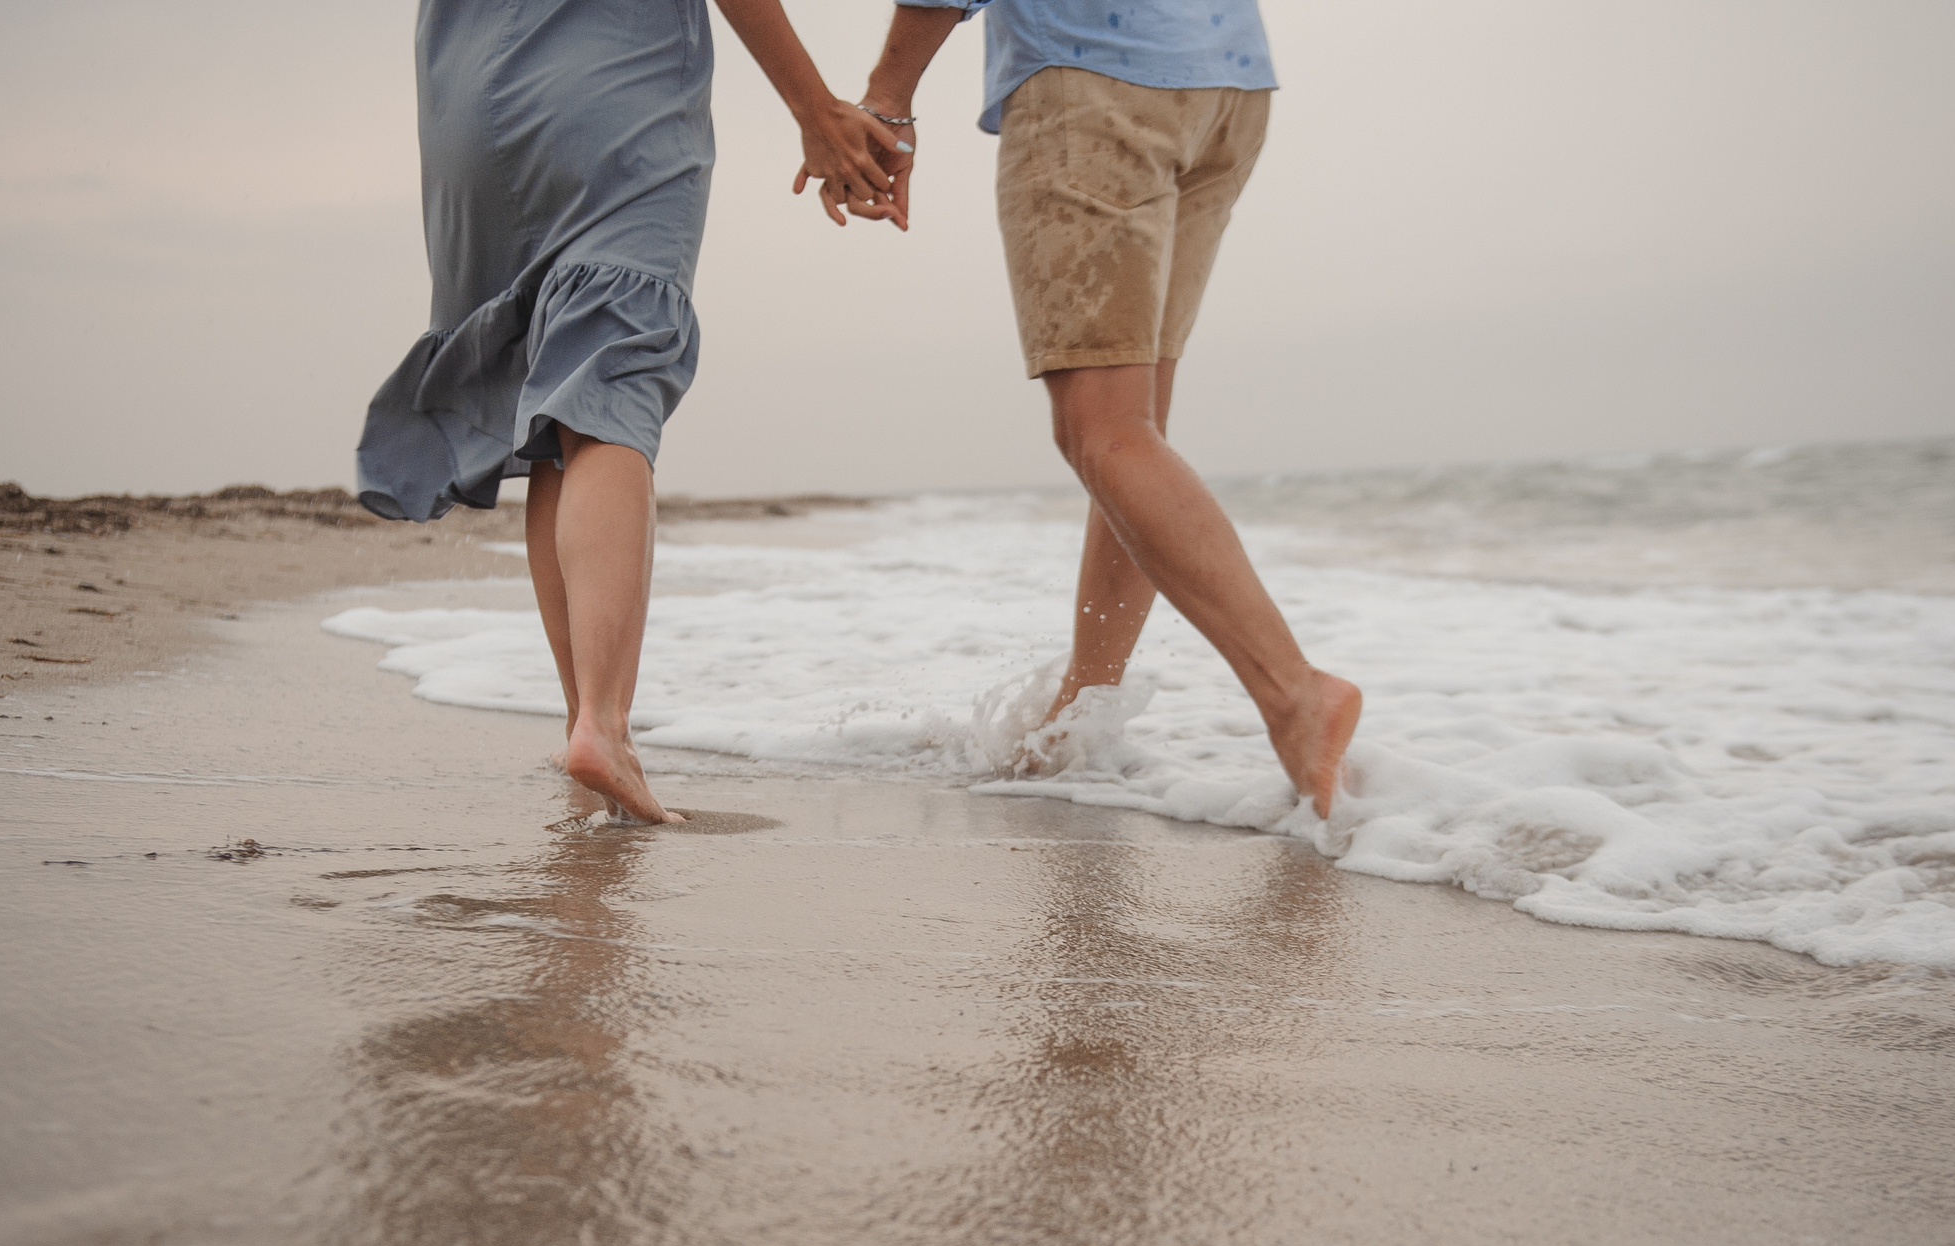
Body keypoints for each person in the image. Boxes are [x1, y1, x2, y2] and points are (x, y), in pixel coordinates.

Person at [355, 0, 907, 823]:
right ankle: (603, 728)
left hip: (466, 96)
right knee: (613, 378)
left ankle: (587, 715)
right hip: (612, 83)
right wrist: (816, 108)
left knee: (554, 417)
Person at [840, 1, 1361, 817]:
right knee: (1131, 428)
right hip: (1229, 83)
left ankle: (1296, 696)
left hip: (1095, 80)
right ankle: (1081, 719)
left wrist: (888, 98)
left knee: (1104, 432)